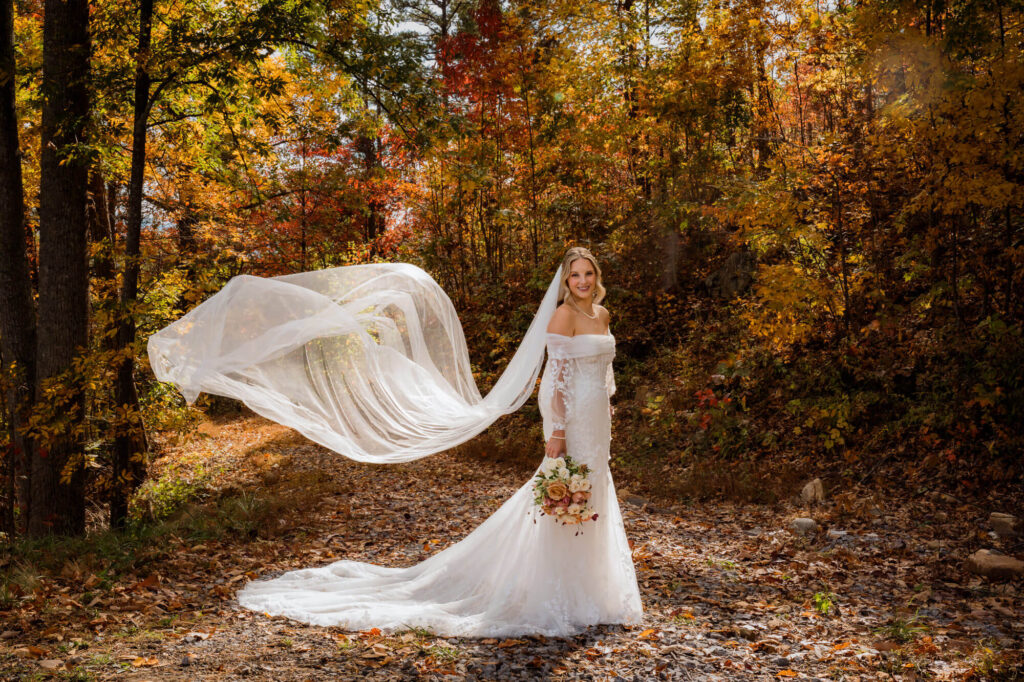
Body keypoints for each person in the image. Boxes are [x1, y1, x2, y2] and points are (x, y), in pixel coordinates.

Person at [148, 247, 642, 637]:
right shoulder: (563, 317)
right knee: (563, 496)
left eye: (588, 274)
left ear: (596, 278)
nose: (582, 281)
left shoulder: (602, 314)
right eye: (575, 275)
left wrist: (607, 406)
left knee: (593, 491)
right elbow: (554, 378)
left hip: (597, 416)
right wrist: (557, 430)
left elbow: (603, 370)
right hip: (570, 419)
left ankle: (593, 592)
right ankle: (556, 592)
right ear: (565, 280)